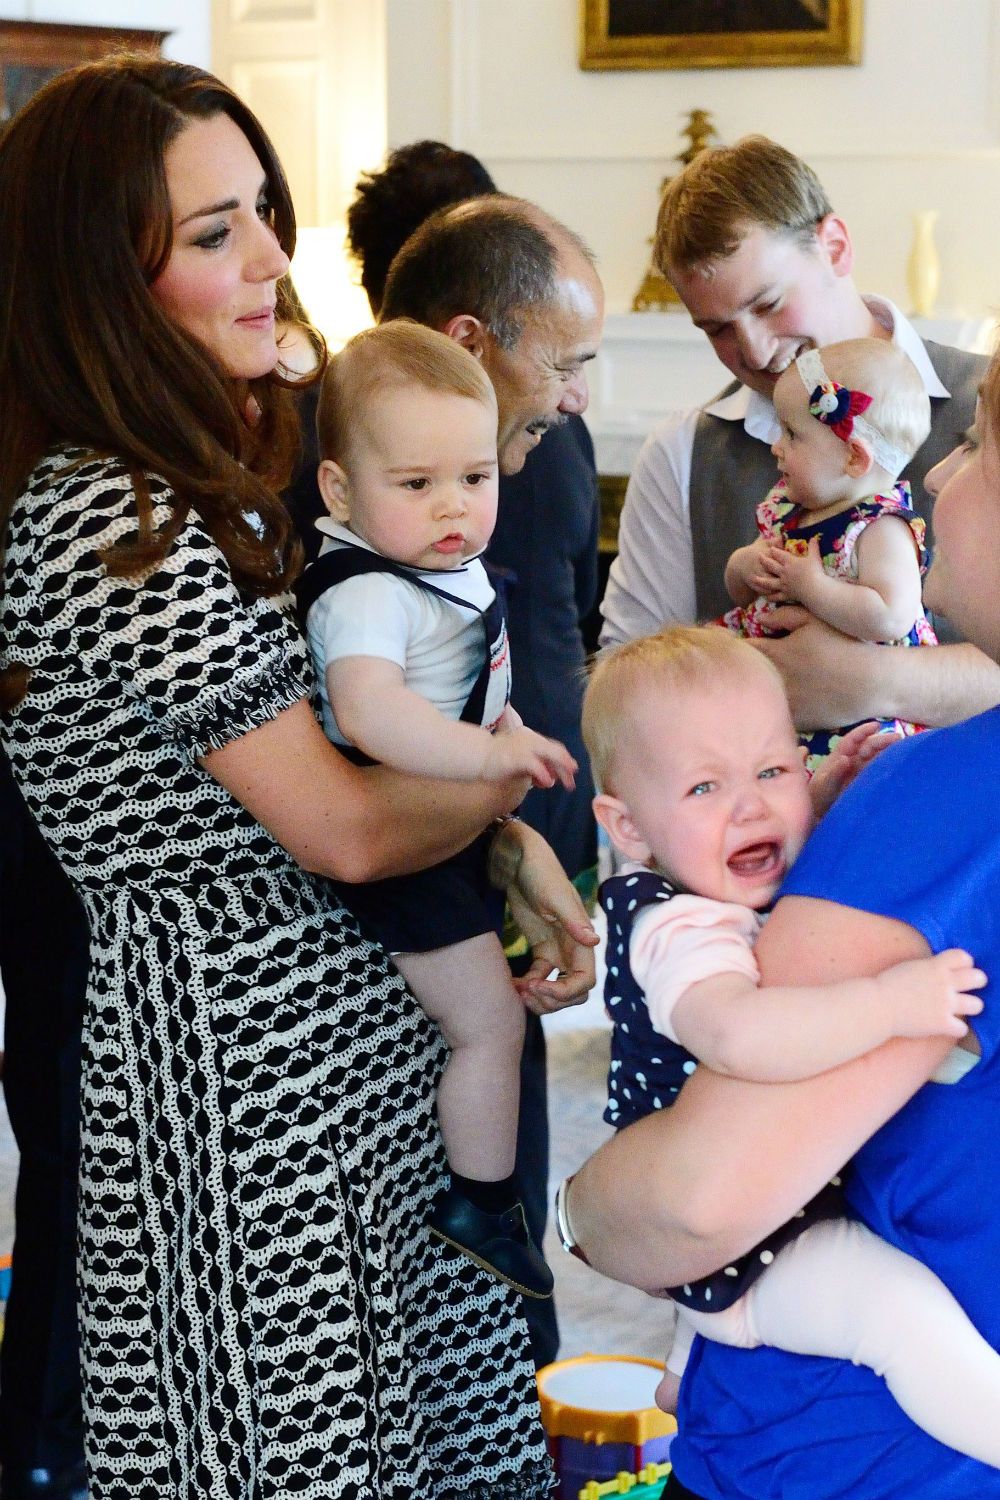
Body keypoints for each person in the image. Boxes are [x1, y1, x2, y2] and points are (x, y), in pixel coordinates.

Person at [0, 55, 598, 1499]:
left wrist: (497, 844)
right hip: (238, 1102)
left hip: (363, 1071)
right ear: (98, 281)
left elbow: (363, 715)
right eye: (214, 235)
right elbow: (333, 823)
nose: (272, 257)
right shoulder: (104, 509)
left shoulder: (224, 456)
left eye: (262, 212)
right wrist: (506, 800)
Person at [557, 358, 1000, 1494]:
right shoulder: (674, 923)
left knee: (890, 1321)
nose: (939, 471)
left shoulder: (945, 800)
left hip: (845, 1461)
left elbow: (698, 1200)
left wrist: (578, 1209)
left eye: (978, 443)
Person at [299, 320, 577, 1296]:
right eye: (415, 486)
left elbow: (477, 673)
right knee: (487, 1029)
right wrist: (496, 755)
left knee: (494, 1013)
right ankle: (481, 1196)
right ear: (339, 490)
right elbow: (376, 717)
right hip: (396, 853)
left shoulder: (431, 567)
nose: (451, 508)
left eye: (474, 478)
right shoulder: (365, 593)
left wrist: (498, 747)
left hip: (448, 833)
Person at [601, 134, 1000, 733]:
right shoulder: (679, 454)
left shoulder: (987, 405)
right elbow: (623, 685)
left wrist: (876, 684)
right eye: (717, 329)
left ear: (835, 248)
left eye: (767, 304)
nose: (756, 351)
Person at [723, 339, 936, 767]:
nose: (775, 447)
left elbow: (891, 614)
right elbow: (742, 594)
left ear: (854, 458)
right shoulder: (788, 508)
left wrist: (812, 586)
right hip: (781, 704)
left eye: (792, 434)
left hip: (853, 723)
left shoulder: (880, 527)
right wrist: (744, 566)